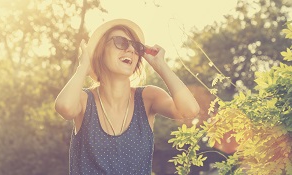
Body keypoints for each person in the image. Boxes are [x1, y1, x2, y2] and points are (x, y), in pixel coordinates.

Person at [55, 18, 200, 175]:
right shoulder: (84, 100)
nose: (131, 49)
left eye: (136, 47)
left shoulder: (148, 97)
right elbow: (65, 108)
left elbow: (190, 110)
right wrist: (83, 66)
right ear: (100, 51)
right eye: (120, 42)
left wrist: (161, 65)